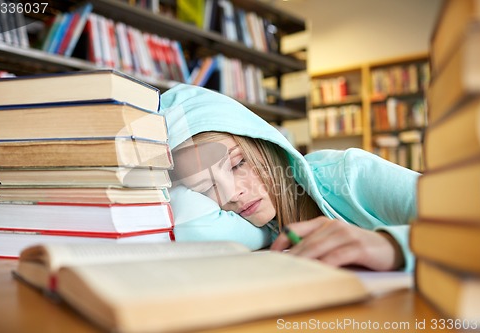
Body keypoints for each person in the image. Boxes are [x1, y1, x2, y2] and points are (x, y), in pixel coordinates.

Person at [159, 84, 419, 272]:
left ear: (263, 143)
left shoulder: (349, 172)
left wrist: (392, 246)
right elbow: (193, 227)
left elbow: (459, 220)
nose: (230, 194)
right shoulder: (261, 222)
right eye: (206, 188)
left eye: (238, 164)